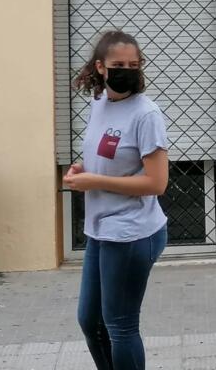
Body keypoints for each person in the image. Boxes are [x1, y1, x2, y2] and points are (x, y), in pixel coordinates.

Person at [64, 30, 170, 369]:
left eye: (134, 64)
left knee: (120, 326)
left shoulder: (146, 114)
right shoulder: (99, 104)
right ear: (100, 67)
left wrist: (93, 180)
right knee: (89, 320)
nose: (127, 70)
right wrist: (82, 168)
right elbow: (106, 155)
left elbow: (157, 183)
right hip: (100, 229)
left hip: (131, 233)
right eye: (118, 64)